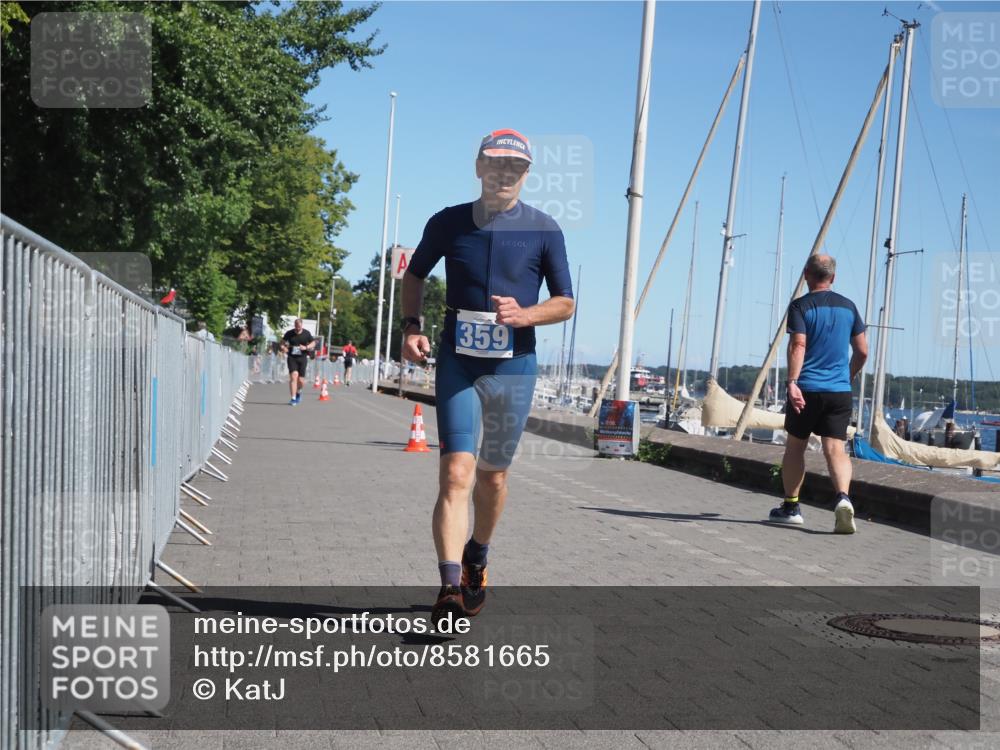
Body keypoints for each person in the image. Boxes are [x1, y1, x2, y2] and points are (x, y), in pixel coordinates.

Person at [401, 129, 574, 624]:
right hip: (459, 361)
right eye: (495, 163)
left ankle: (478, 553)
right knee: (456, 471)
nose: (504, 173)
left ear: (526, 174)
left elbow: (566, 302)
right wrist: (411, 327)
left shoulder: (544, 229)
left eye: (514, 167)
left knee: (493, 476)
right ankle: (449, 588)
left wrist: (526, 315)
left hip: (513, 366)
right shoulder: (447, 222)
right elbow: (414, 274)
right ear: (478, 167)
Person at [771, 254, 867, 534]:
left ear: (806, 275)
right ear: (833, 277)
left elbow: (798, 345)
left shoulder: (800, 306)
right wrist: (847, 376)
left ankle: (791, 508)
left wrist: (792, 382)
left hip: (807, 389)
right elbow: (862, 351)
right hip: (839, 391)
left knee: (796, 447)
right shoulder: (849, 307)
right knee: (835, 448)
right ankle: (843, 499)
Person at [280, 319, 315, 405]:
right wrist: (283, 348)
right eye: (296, 326)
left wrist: (306, 347)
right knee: (294, 376)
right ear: (294, 325)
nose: (298, 328)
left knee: (301, 380)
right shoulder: (289, 333)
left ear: (302, 325)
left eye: (299, 326)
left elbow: (313, 343)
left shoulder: (306, 333)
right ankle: (293, 398)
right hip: (292, 357)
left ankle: (298, 392)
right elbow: (282, 343)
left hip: (302, 358)